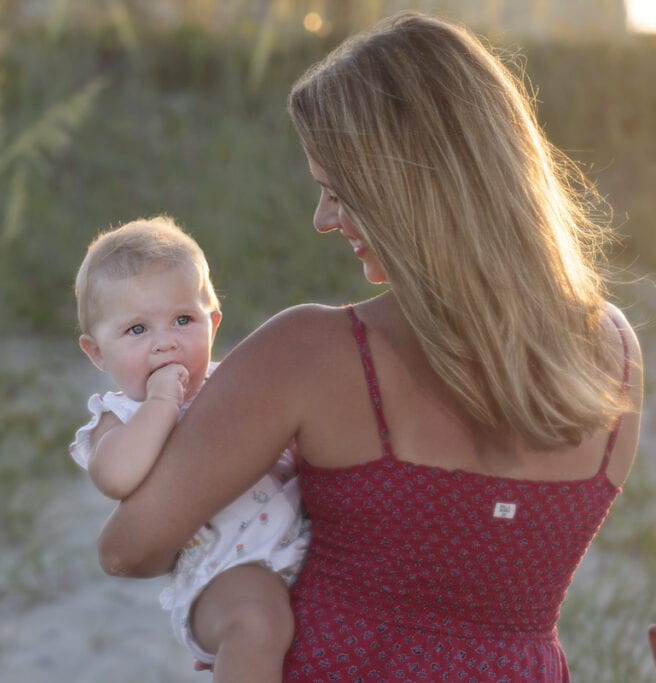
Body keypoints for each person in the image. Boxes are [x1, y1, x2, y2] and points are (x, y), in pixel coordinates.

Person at [95, 12, 644, 683]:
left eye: (337, 191)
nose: (323, 219)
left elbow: (130, 546)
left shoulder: (312, 355)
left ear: (407, 190)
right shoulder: (615, 351)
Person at [69, 216, 309, 681]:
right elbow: (116, 477)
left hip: (303, 546)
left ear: (213, 323)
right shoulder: (118, 415)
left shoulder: (234, 383)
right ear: (97, 352)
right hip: (226, 569)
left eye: (184, 320)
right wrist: (162, 401)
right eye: (137, 330)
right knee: (256, 622)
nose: (166, 343)